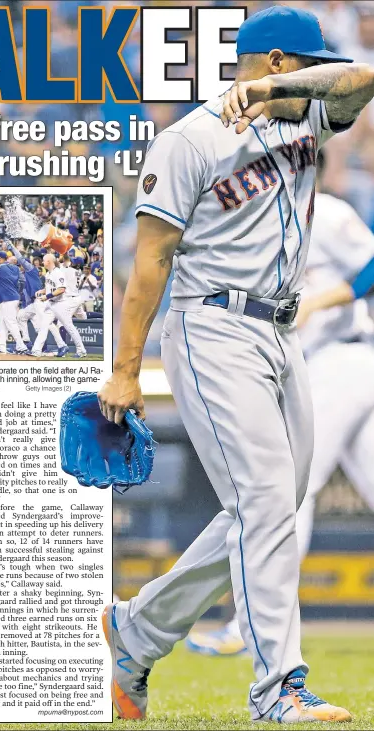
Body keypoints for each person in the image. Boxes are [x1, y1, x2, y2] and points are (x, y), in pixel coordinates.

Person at [97, 6, 373, 724]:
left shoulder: (304, 117)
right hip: (211, 326)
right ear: (276, 59)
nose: (320, 73)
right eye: (304, 60)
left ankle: (136, 631)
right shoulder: (188, 140)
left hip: (282, 335)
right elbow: (149, 262)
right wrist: (125, 369)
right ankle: (276, 688)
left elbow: (364, 78)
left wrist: (281, 89)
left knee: (271, 505)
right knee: (262, 504)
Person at [185, 151, 374, 658]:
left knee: (291, 484)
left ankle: (255, 628)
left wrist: (320, 300)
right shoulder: (253, 226)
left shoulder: (327, 212)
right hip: (320, 366)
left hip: (346, 357)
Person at [7, 241, 68, 356]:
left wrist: (13, 248)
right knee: (21, 316)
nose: (20, 267)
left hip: (41, 302)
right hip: (35, 302)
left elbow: (20, 259)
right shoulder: (25, 275)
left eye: (20, 265)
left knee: (47, 324)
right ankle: (26, 342)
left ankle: (62, 345)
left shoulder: (31, 269)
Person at [32, 253, 87, 358]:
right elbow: (50, 289)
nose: (42, 262)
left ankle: (81, 350)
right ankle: (36, 350)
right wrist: (42, 291)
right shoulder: (48, 274)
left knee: (69, 327)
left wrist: (46, 296)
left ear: (49, 262)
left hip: (60, 304)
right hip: (51, 304)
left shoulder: (58, 273)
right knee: (43, 325)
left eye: (44, 260)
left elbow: (61, 289)